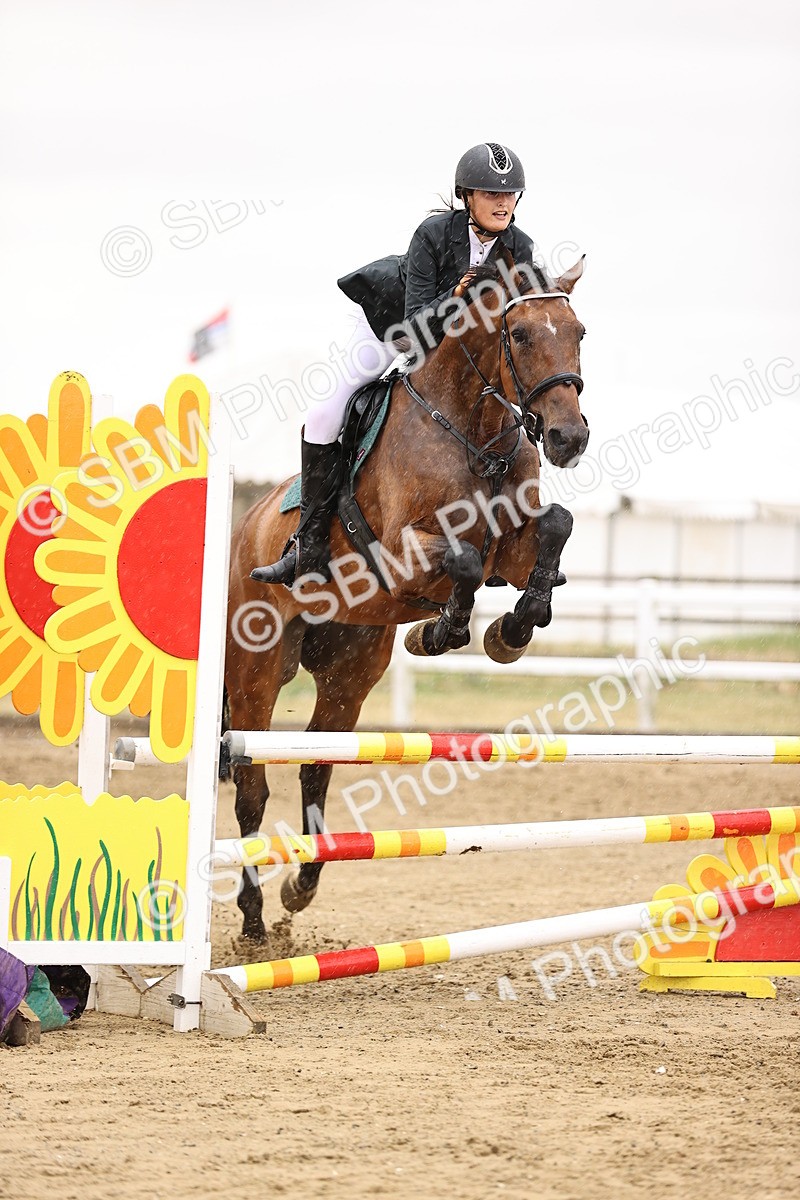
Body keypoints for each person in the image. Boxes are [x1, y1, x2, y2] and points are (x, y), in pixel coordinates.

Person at [256, 142, 535, 587]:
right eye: (490, 193)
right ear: (466, 195)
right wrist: (459, 293)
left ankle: (498, 541)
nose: (502, 203)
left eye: (510, 194)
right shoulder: (433, 234)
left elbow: (517, 322)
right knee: (325, 413)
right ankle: (307, 546)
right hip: (389, 326)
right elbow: (415, 325)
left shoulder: (520, 246)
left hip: (456, 349)